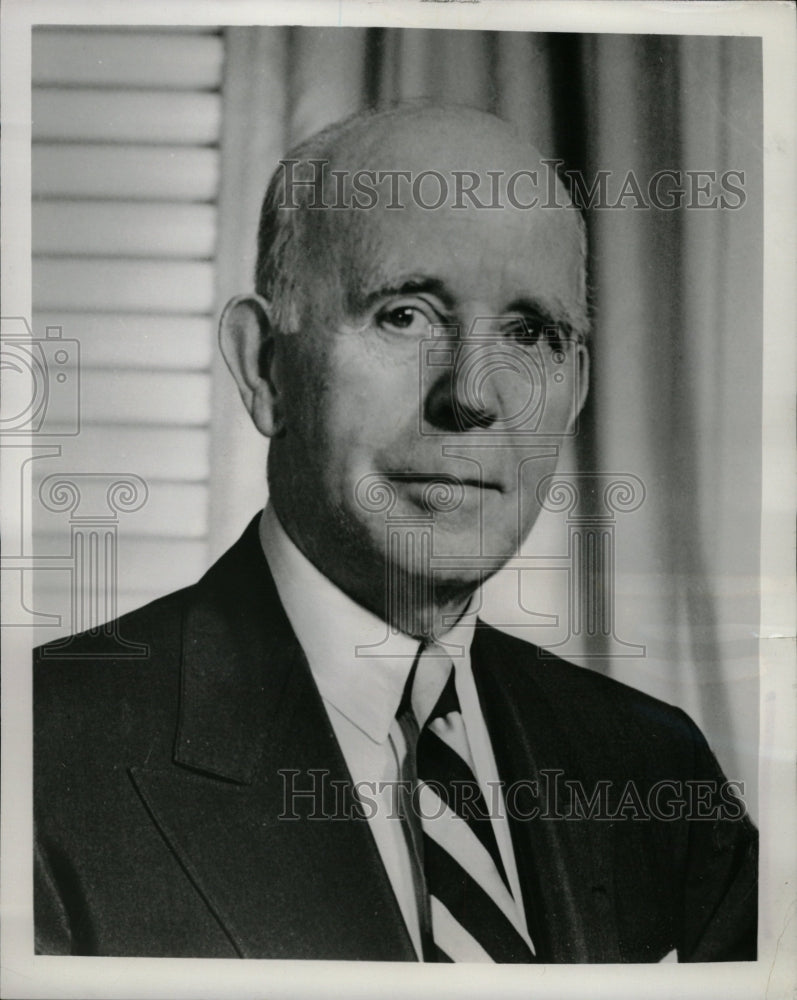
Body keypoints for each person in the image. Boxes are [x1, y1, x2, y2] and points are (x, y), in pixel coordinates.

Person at [34, 104, 757, 962]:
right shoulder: (40, 758)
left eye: (528, 333)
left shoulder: (656, 771)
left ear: (573, 389)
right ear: (264, 367)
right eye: (405, 315)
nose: (473, 396)